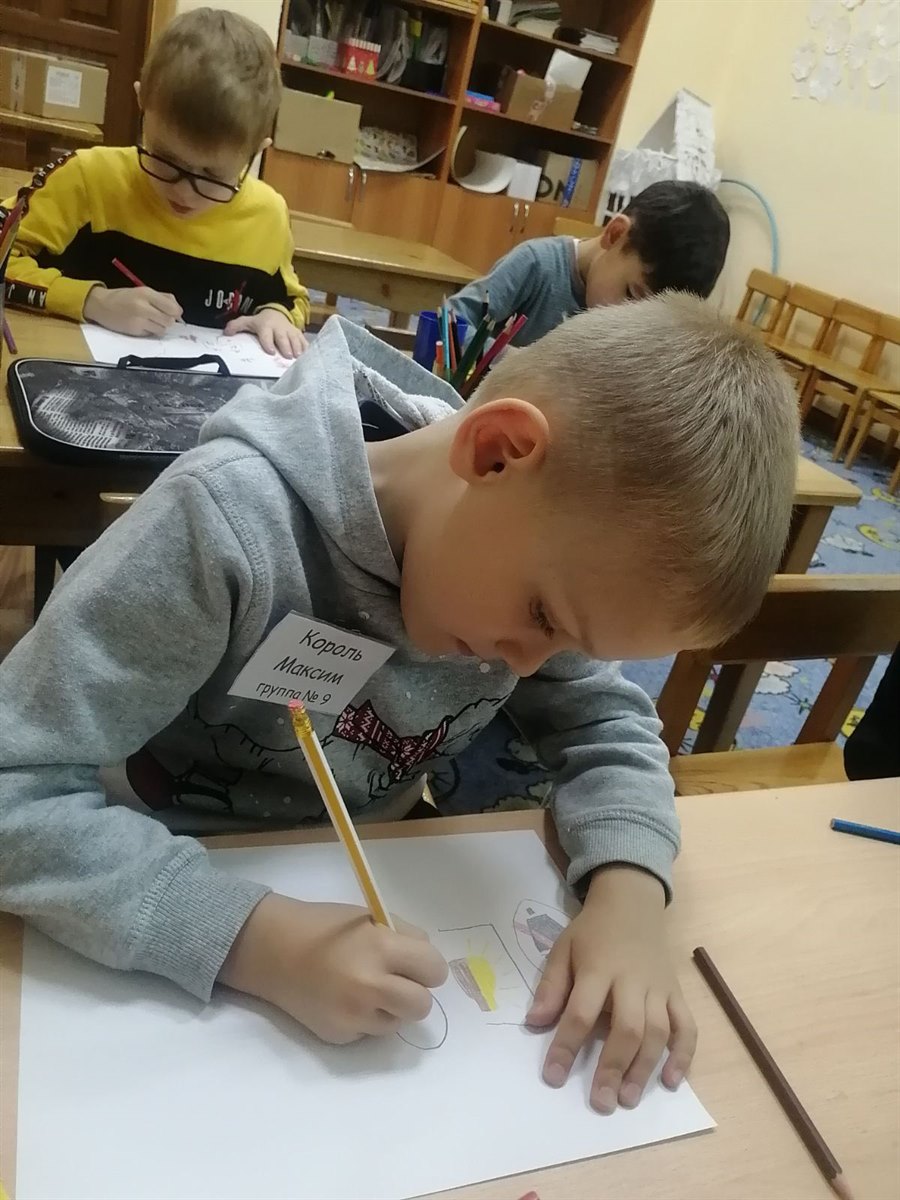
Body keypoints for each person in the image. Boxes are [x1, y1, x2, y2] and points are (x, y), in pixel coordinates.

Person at [0, 296, 798, 1115]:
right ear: (494, 453)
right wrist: (251, 941)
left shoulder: (555, 552)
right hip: (141, 932)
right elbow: (13, 788)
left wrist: (630, 894)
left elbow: (609, 723)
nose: (530, 664)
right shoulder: (224, 524)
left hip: (365, 913)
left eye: (569, 643)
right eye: (543, 617)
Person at [2, 8, 309, 359]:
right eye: (166, 158)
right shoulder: (88, 179)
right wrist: (92, 301)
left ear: (257, 151)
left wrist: (276, 315)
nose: (183, 191)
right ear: (142, 103)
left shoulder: (268, 216)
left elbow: (293, 301)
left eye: (213, 176)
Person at [450, 181, 730, 347]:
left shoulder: (637, 324)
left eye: (648, 314)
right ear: (615, 234)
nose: (628, 322)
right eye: (631, 294)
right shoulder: (537, 264)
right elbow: (452, 321)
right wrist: (511, 363)